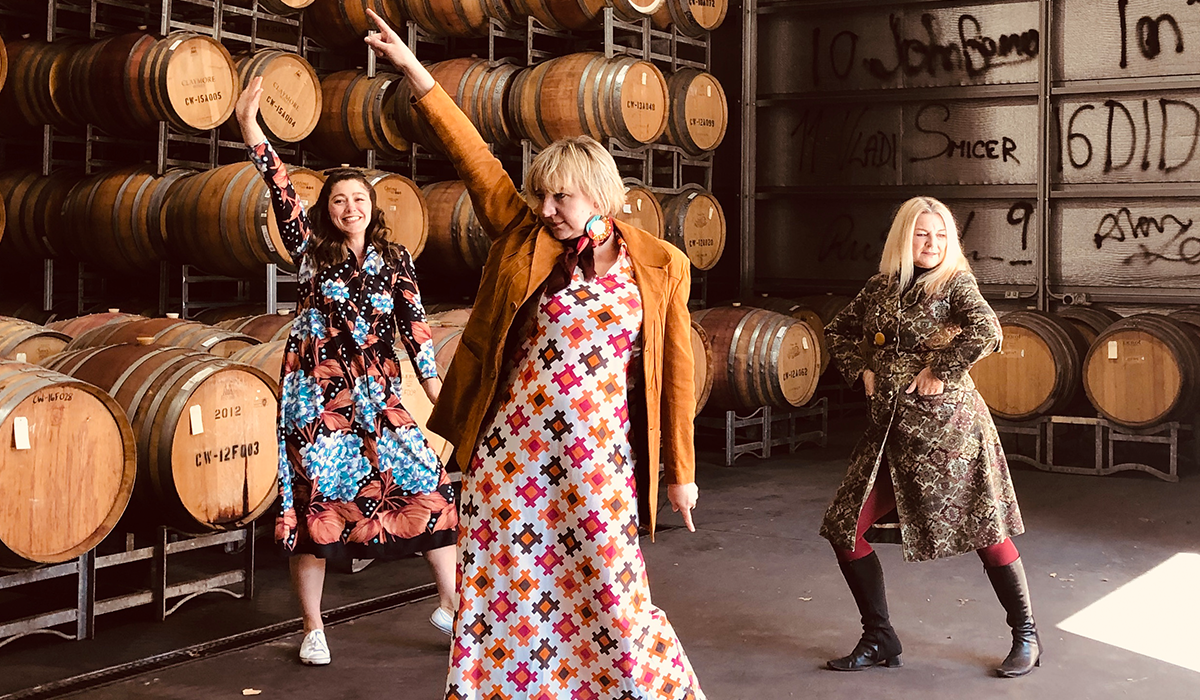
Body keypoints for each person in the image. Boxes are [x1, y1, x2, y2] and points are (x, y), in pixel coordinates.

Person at [364, 10, 704, 699]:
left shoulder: (659, 264)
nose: (546, 207)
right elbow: (475, 158)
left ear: (599, 195)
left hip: (597, 453)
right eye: (540, 195)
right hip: (512, 454)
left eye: (561, 196)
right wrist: (418, 76)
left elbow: (675, 374)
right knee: (507, 592)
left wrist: (682, 474)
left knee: (612, 584)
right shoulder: (526, 238)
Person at [235, 76, 459, 666]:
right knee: (318, 503)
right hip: (318, 399)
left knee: (425, 486)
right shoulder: (309, 248)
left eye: (358, 198)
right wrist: (250, 128)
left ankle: (451, 604)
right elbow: (279, 185)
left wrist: (437, 392)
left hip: (380, 397)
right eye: (338, 200)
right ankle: (314, 628)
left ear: (372, 206)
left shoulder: (394, 258)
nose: (349, 207)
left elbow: (415, 327)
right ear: (326, 210)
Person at [820, 196, 1039, 678]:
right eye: (922, 234)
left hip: (949, 432)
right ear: (904, 237)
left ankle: (1026, 634)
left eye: (941, 235)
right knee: (845, 527)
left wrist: (942, 368)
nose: (932, 243)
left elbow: (987, 329)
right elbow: (838, 331)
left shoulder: (956, 283)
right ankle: (879, 636)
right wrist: (862, 370)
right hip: (887, 433)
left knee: (987, 529)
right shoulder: (880, 288)